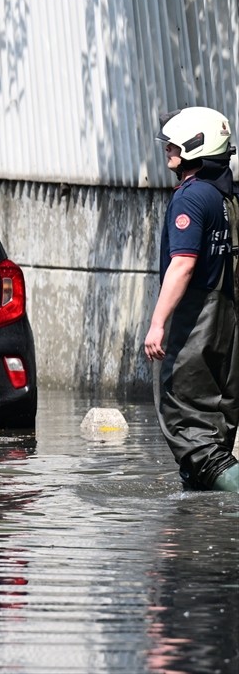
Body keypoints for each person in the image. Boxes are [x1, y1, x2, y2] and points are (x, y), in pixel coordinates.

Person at [143, 106, 239, 492]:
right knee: (217, 426)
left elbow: (182, 265)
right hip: (228, 329)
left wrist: (157, 322)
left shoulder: (191, 198)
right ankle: (206, 534)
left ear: (193, 145)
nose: (167, 149)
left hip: (197, 325)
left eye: (172, 143)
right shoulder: (228, 197)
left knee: (189, 428)